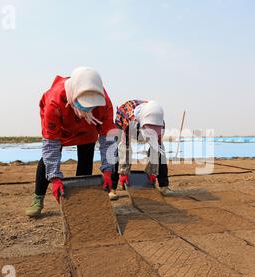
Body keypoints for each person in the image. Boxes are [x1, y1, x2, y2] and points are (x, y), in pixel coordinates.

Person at [25, 67, 118, 218]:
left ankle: (80, 201)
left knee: (86, 156)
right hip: (61, 126)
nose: (89, 107)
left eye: (91, 105)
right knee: (47, 160)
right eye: (85, 103)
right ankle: (38, 197)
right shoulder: (54, 101)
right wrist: (55, 178)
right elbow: (51, 145)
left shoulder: (104, 102)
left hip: (88, 126)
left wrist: (108, 170)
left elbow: (108, 138)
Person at [113, 100, 173, 196]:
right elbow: (125, 147)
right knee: (117, 151)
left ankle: (163, 186)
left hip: (141, 122)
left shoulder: (160, 124)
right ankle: (112, 188)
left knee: (161, 152)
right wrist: (124, 172)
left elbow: (156, 149)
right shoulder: (129, 122)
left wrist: (153, 172)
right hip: (123, 120)